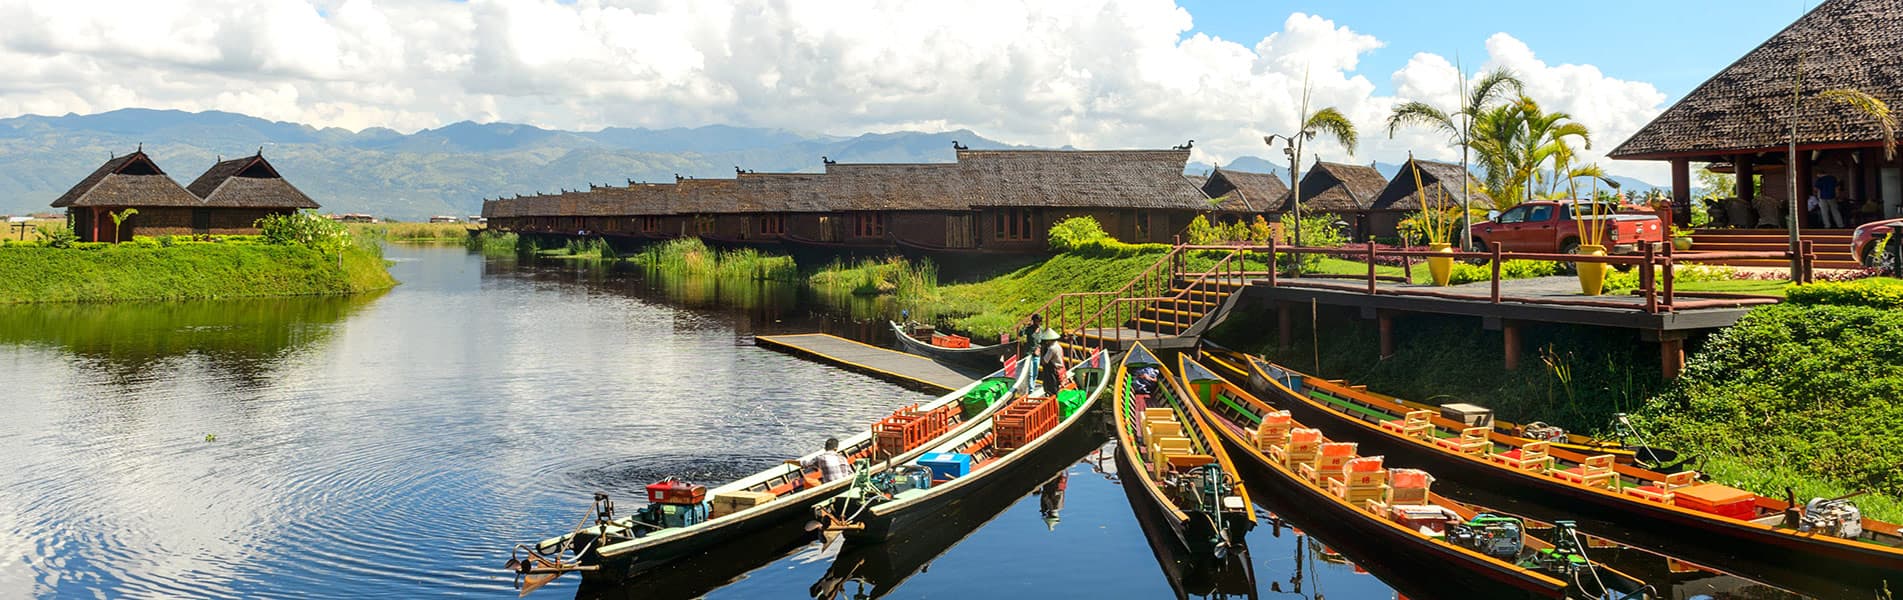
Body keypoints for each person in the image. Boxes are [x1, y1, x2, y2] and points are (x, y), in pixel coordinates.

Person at [787, 437, 852, 483]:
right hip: (844, 484)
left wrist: (789, 461)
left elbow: (805, 464)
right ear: (836, 449)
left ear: (825, 448)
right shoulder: (843, 458)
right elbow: (850, 473)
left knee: (809, 482)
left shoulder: (821, 458)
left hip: (830, 487)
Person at [1036, 328, 1065, 394]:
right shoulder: (1057, 345)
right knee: (1055, 387)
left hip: (1053, 370)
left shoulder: (1052, 348)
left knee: (1052, 389)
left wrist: (1040, 352)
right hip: (1059, 367)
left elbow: (1044, 361)